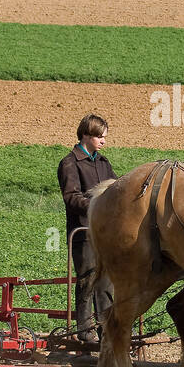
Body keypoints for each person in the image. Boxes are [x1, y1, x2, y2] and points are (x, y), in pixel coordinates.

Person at [57, 114, 117, 343]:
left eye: (104, 137)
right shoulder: (70, 163)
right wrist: (97, 205)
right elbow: (71, 197)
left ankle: (107, 330)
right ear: (86, 135)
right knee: (87, 281)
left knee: (106, 283)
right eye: (99, 136)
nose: (103, 141)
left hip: (104, 234)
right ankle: (85, 330)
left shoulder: (103, 163)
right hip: (83, 233)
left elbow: (115, 188)